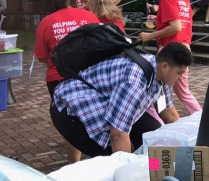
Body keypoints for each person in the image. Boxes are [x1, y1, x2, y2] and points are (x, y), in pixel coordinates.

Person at [50, 42, 191, 158]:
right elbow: (118, 135)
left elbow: (168, 112)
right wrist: (128, 175)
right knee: (113, 155)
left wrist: (188, 144)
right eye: (179, 73)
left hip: (104, 99)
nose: (180, 78)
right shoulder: (134, 84)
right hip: (70, 109)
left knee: (153, 136)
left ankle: (153, 170)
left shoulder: (160, 71)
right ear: (165, 66)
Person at [35, 0, 100, 163]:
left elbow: (41, 56)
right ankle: (97, 153)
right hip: (90, 76)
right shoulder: (90, 17)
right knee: (93, 114)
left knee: (69, 121)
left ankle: (75, 163)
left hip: (59, 79)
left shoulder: (47, 22)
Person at [139, 0, 202, 114]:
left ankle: (157, 125)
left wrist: (150, 35)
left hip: (169, 51)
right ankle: (204, 121)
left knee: (155, 92)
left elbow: (175, 27)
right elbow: (179, 23)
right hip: (184, 48)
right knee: (183, 93)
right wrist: (157, 20)